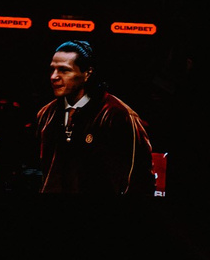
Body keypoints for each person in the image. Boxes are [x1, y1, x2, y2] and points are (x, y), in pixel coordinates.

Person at [34, 40, 155, 194]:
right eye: (52, 69)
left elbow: (139, 178)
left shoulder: (118, 115)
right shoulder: (46, 114)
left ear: (87, 73)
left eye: (64, 70)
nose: (54, 76)